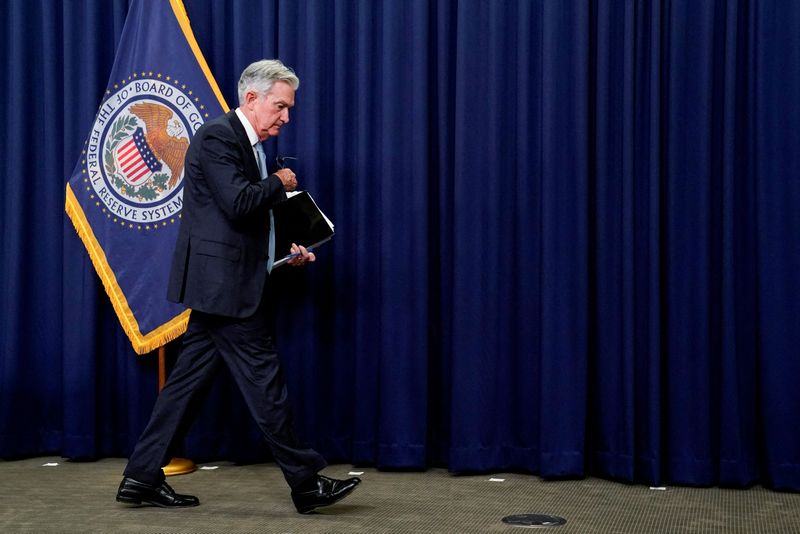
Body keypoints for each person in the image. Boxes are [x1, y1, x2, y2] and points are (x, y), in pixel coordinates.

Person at [115, 59, 360, 513]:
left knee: (185, 387)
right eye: (281, 106)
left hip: (224, 285)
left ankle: (140, 477)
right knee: (266, 385)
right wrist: (279, 182)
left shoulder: (247, 145)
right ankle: (305, 483)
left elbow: (245, 225)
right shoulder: (217, 137)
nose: (286, 117)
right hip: (225, 290)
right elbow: (237, 203)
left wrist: (288, 251)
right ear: (252, 98)